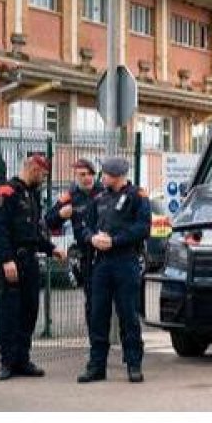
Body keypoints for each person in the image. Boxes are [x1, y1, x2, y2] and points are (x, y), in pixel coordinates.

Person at [0, 153, 66, 381]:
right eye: (42, 173)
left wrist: (51, 249)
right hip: (12, 262)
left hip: (29, 261)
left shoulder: (31, 195)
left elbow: (33, 232)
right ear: (32, 168)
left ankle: (22, 359)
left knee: (29, 311)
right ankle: (7, 362)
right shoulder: (6, 193)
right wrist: (5, 260)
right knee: (9, 313)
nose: (43, 178)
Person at [76, 156, 149, 384]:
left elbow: (143, 228)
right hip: (102, 264)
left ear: (116, 175)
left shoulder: (137, 197)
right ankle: (97, 366)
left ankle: (134, 364)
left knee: (128, 314)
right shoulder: (99, 198)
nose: (102, 177)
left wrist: (115, 241)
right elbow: (84, 227)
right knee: (98, 315)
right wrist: (92, 238)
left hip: (125, 261)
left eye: (105, 174)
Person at [44, 158, 102, 327]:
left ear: (93, 174)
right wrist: (61, 215)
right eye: (78, 175)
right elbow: (48, 220)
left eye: (85, 174)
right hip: (86, 254)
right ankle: (94, 338)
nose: (82, 179)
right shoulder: (71, 195)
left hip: (106, 253)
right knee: (91, 298)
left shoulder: (104, 192)